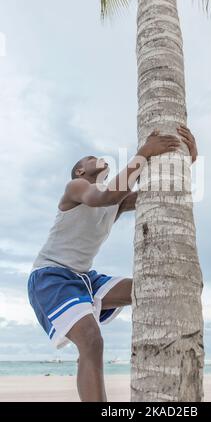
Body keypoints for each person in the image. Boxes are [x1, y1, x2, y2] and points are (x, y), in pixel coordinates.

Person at [27, 124, 197, 401]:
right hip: (52, 276)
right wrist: (144, 152)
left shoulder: (115, 201)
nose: (99, 158)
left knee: (149, 287)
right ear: (80, 170)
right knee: (92, 342)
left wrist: (185, 158)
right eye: (90, 157)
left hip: (85, 278)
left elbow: (156, 192)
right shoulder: (77, 187)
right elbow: (107, 195)